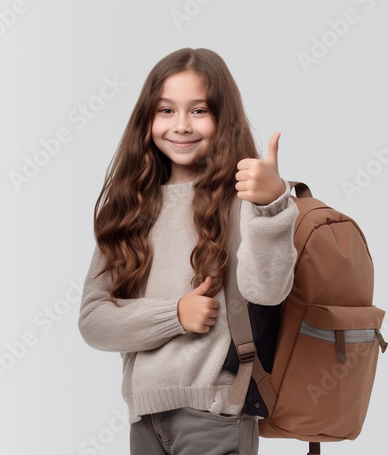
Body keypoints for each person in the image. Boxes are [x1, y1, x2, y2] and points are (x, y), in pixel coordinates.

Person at [78, 47, 300, 455]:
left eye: (199, 111)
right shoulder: (127, 210)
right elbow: (94, 321)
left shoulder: (243, 200)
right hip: (145, 417)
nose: (181, 126)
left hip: (215, 414)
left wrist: (272, 205)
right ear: (147, 118)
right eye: (166, 110)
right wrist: (176, 314)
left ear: (223, 118)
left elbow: (268, 291)